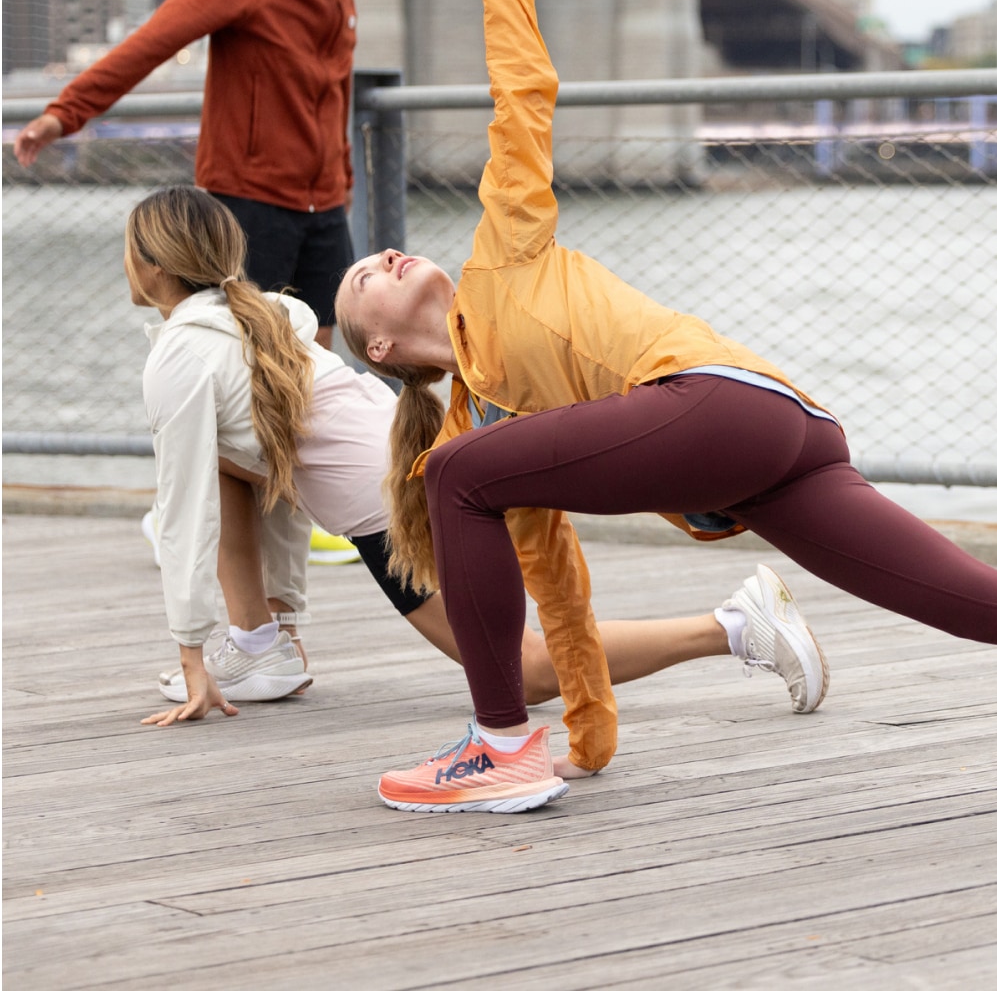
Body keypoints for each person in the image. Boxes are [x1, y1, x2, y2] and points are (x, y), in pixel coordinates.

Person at [336, 0, 997, 814]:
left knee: (452, 477)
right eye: (365, 275)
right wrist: (589, 732)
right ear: (376, 346)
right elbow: (560, 590)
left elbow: (521, 97)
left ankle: (498, 748)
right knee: (984, 603)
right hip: (778, 453)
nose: (385, 255)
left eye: (383, 250)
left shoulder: (507, 249)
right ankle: (519, 746)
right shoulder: (485, 437)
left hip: (730, 410)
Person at [128, 185, 825, 728]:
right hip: (402, 463)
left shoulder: (182, 358)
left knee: (521, 671)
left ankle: (735, 625)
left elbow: (185, 515)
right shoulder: (260, 318)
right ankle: (258, 646)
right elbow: (264, 480)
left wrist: (190, 655)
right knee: (227, 461)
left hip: (392, 497)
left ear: (152, 265)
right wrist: (278, 623)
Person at [17, 0, 420, 350]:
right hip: (251, 198)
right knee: (253, 356)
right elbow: (152, 42)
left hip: (325, 203)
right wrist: (64, 114)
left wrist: (345, 179)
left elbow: (334, 89)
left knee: (317, 353)